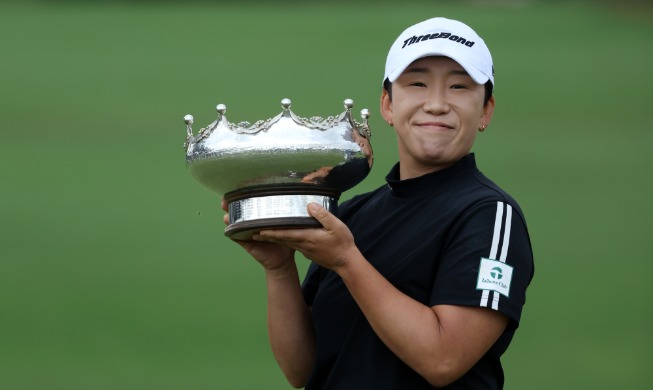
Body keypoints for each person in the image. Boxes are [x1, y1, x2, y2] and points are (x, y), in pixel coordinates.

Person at [222, 17, 534, 389]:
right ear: (387, 105)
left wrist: (346, 261)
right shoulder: (353, 213)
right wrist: (279, 269)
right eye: (417, 83)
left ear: (485, 110)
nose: (436, 104)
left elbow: (443, 359)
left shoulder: (489, 215)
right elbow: (302, 369)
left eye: (459, 86)